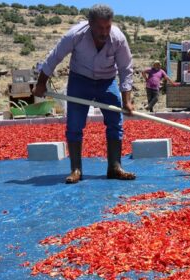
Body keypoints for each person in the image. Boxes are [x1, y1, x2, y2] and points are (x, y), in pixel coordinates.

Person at [33, 4, 136, 184]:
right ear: (90, 24)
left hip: (107, 81)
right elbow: (54, 57)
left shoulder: (118, 38)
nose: (104, 32)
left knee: (115, 122)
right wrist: (41, 83)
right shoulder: (75, 35)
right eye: (100, 28)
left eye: (107, 27)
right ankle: (76, 169)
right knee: (74, 124)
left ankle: (114, 167)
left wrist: (127, 101)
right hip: (80, 80)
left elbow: (126, 69)